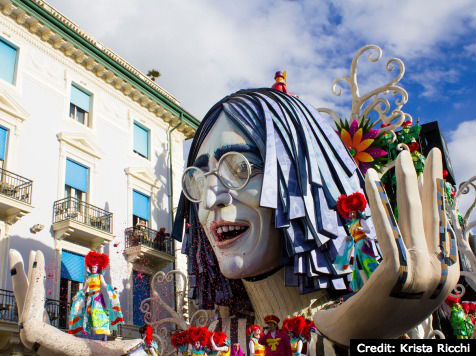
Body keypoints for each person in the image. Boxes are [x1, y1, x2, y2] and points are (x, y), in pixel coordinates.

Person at [173, 87, 459, 347]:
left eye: (239, 168)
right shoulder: (221, 337)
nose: (210, 199)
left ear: (304, 179)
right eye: (199, 179)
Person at [68, 251, 124, 337]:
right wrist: (77, 295)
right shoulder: (88, 278)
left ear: (98, 268)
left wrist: (111, 290)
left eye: (95, 267)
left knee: (95, 311)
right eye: (93, 267)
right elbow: (84, 289)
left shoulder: (99, 276)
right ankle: (88, 330)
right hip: (90, 297)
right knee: (88, 313)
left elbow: (104, 285)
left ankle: (102, 328)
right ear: (91, 267)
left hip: (97, 297)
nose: (94, 268)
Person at [333, 192, 379, 292]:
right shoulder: (351, 225)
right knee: (358, 265)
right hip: (357, 245)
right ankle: (365, 284)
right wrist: (349, 238)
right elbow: (353, 237)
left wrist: (360, 228)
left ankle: (376, 279)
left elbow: (368, 230)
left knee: (368, 262)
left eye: (353, 212)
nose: (352, 214)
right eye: (350, 212)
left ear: (356, 212)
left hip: (364, 243)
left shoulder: (360, 221)